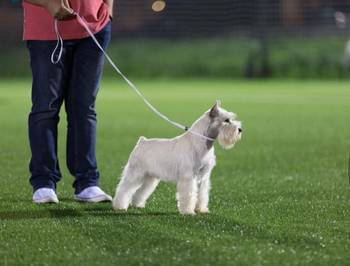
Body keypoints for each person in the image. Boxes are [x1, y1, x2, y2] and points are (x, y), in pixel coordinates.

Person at [23, 0, 114, 203]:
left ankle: (87, 182)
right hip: (46, 30)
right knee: (45, 108)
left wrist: (108, 9)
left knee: (84, 109)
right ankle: (44, 182)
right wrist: (47, 3)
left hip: (95, 28)